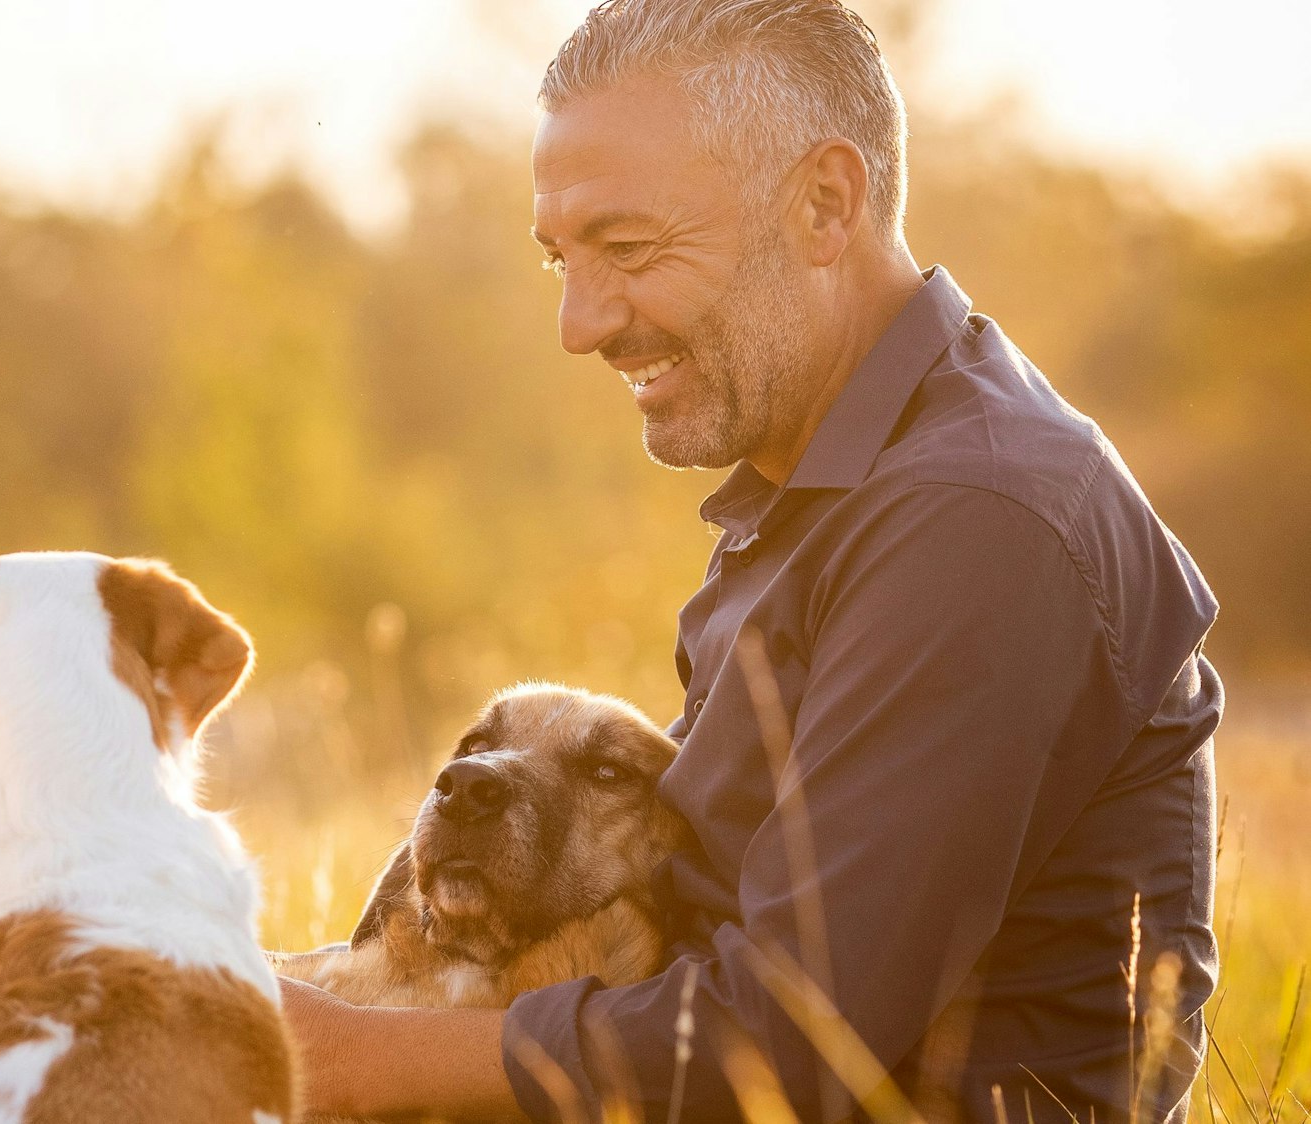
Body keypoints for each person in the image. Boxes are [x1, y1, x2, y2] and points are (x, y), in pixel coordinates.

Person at [277, 1, 1223, 1121]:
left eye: (629, 250)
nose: (581, 323)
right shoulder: (833, 498)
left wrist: (357, 1056)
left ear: (825, 204)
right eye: (560, 261)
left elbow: (792, 1032)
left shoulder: (975, 518)